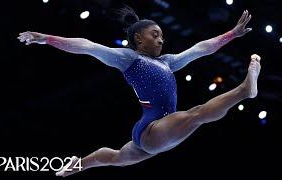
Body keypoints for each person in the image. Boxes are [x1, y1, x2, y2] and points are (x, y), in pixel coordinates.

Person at [17, 7, 260, 177]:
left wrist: (231, 34)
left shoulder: (167, 62)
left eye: (162, 36)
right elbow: (87, 46)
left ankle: (79, 164)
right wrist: (47, 39)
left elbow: (200, 49)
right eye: (155, 35)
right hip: (153, 129)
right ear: (138, 39)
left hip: (156, 133)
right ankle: (243, 91)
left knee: (115, 158)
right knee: (196, 114)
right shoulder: (128, 59)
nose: (161, 40)